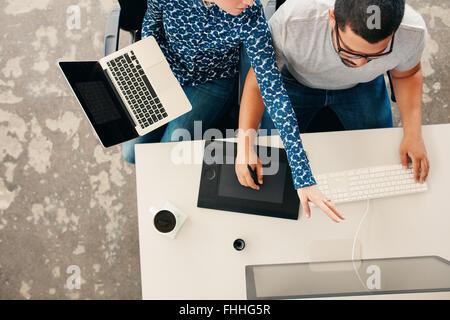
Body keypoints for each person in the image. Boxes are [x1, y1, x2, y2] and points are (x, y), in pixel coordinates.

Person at [235, 0, 430, 221]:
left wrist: (413, 134)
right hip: (296, 83)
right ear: (332, 18)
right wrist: (245, 145)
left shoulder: (412, 31)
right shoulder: (293, 21)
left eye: (375, 55)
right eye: (349, 51)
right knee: (272, 157)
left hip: (362, 86)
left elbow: (406, 74)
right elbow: (259, 80)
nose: (360, 64)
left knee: (384, 156)